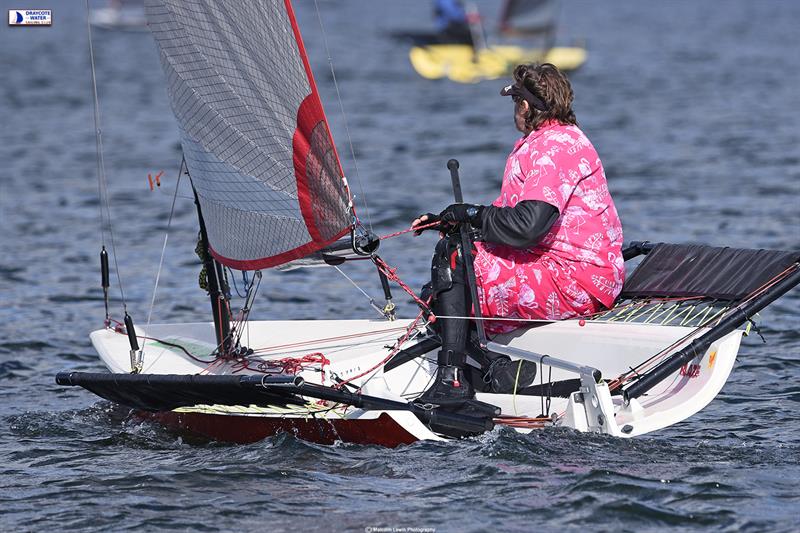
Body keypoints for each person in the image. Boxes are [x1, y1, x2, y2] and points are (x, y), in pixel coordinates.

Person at [412, 62, 625, 406]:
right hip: (561, 267)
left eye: (515, 104)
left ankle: (452, 382)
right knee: (442, 285)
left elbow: (527, 226)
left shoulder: (555, 148)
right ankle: (494, 367)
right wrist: (455, 221)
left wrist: (470, 215)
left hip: (578, 279)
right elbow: (507, 217)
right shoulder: (547, 141)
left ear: (525, 106)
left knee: (453, 261)